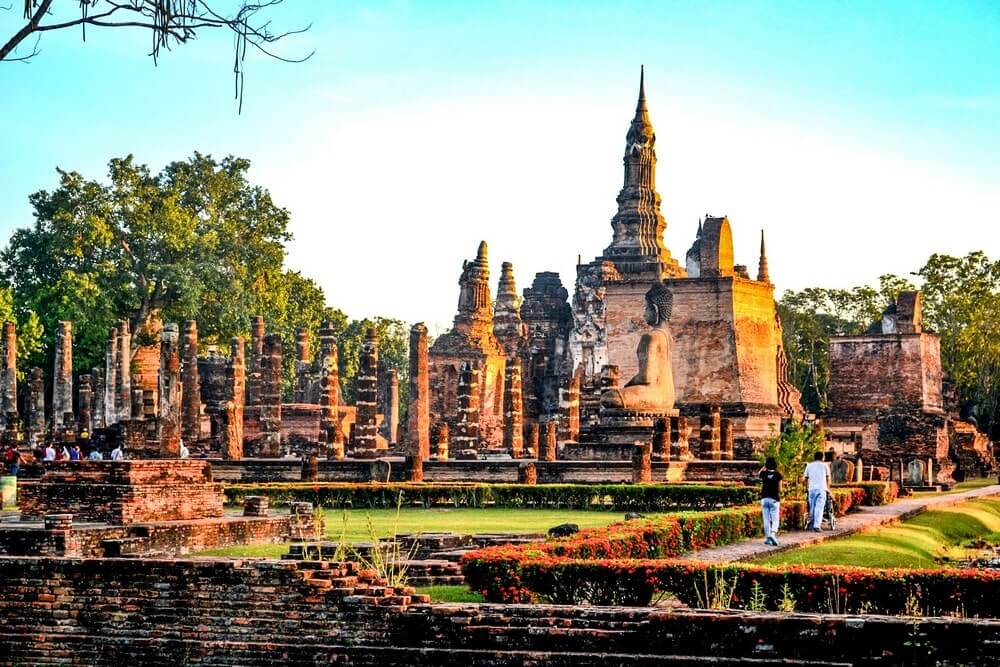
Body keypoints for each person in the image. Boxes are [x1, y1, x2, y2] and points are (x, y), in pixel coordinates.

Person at [803, 451, 831, 532]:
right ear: (823, 457)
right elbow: (828, 478)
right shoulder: (825, 465)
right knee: (819, 507)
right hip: (822, 488)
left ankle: (811, 523)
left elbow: (804, 478)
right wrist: (828, 488)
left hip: (811, 489)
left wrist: (806, 485)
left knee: (812, 507)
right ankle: (816, 525)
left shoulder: (809, 465)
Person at [758, 457, 783, 546]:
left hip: (764, 499)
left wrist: (764, 467)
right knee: (775, 519)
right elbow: (780, 489)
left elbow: (759, 473)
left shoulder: (764, 474)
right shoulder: (778, 475)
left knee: (766, 519)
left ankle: (768, 537)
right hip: (774, 499)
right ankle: (773, 534)